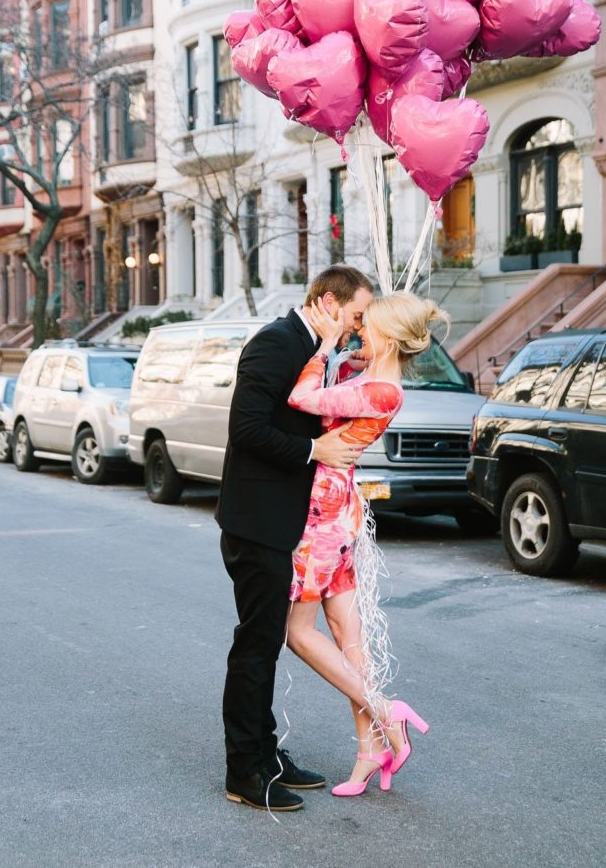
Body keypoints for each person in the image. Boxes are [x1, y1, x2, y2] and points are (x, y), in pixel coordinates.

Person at [217, 265, 375, 812]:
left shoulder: (318, 350)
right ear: (329, 302)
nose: (358, 328)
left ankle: (266, 754)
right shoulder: (274, 343)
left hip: (286, 523)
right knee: (256, 647)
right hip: (256, 520)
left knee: (265, 645)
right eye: (356, 315)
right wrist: (315, 453)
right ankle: (245, 772)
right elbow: (247, 430)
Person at [286, 291, 448, 797]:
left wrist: (323, 347)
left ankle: (385, 712)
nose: (360, 333)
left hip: (324, 514)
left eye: (368, 328)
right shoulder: (374, 380)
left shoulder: (381, 391)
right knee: (347, 637)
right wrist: (344, 357)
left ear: (388, 336)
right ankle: (369, 750)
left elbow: (303, 399)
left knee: (296, 631)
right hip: (338, 510)